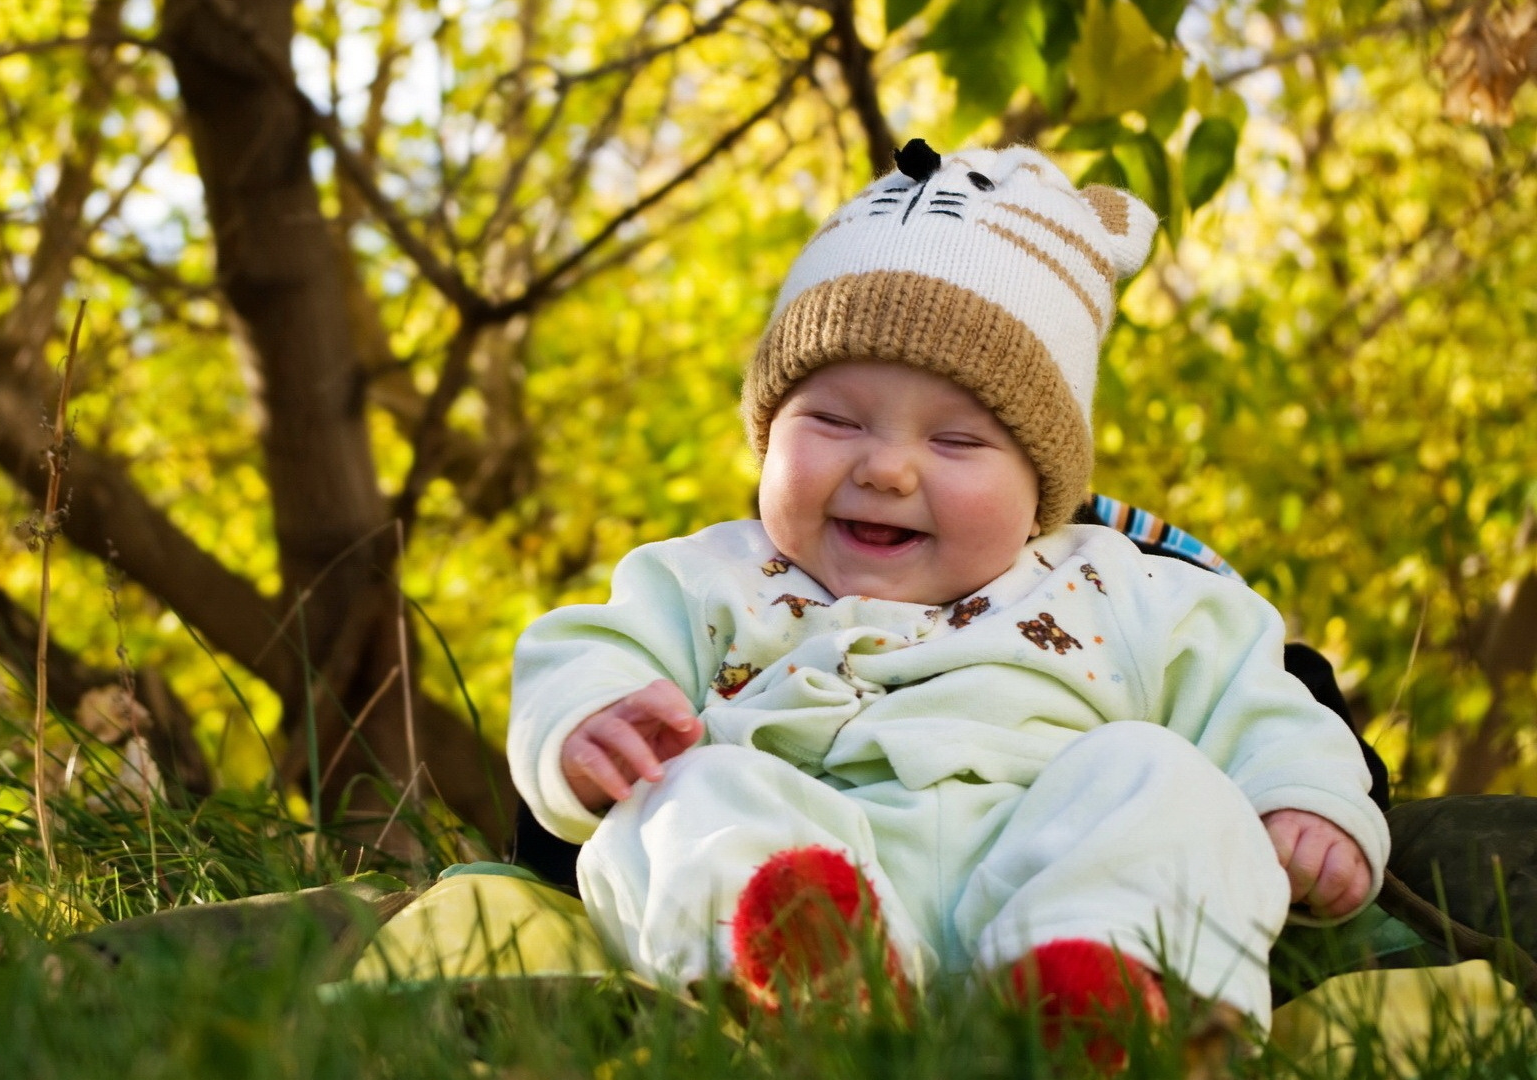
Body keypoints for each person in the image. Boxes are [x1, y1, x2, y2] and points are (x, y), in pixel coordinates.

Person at [506, 141, 1389, 1042]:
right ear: (768, 436)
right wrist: (588, 719)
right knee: (682, 796)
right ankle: (800, 971)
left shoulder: (1126, 588)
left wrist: (1305, 805)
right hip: (807, 854)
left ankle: (1096, 992)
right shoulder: (707, 577)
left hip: (1048, 871)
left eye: (959, 443)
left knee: (1160, 778)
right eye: (834, 420)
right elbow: (587, 649)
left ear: (1041, 485)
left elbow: (1260, 700)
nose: (885, 467)